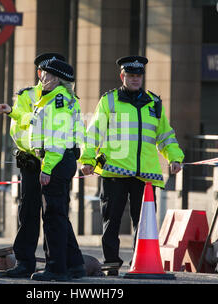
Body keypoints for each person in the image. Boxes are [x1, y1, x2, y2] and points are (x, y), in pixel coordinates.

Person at [80, 55, 184, 275]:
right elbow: (93, 133)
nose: (136, 79)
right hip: (114, 171)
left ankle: (141, 261)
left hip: (145, 175)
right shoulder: (109, 101)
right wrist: (87, 160)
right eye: (131, 75)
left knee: (144, 222)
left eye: (139, 76)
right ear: (122, 76)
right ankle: (111, 263)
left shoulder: (153, 103)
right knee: (112, 219)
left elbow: (165, 135)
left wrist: (174, 157)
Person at [0, 52, 66, 278]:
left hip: (53, 158)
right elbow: (22, 125)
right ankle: (24, 263)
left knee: (54, 213)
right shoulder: (27, 95)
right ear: (40, 73)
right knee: (28, 212)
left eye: (57, 73)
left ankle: (61, 264)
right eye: (48, 73)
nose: (51, 77)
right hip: (31, 160)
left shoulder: (62, 96)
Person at [28, 58, 86, 281]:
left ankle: (56, 268)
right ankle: (74, 264)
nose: (41, 77)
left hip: (57, 161)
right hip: (63, 159)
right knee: (59, 214)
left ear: (56, 78)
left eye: (46, 74)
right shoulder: (59, 99)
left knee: (53, 217)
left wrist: (47, 168)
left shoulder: (57, 101)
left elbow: (56, 139)